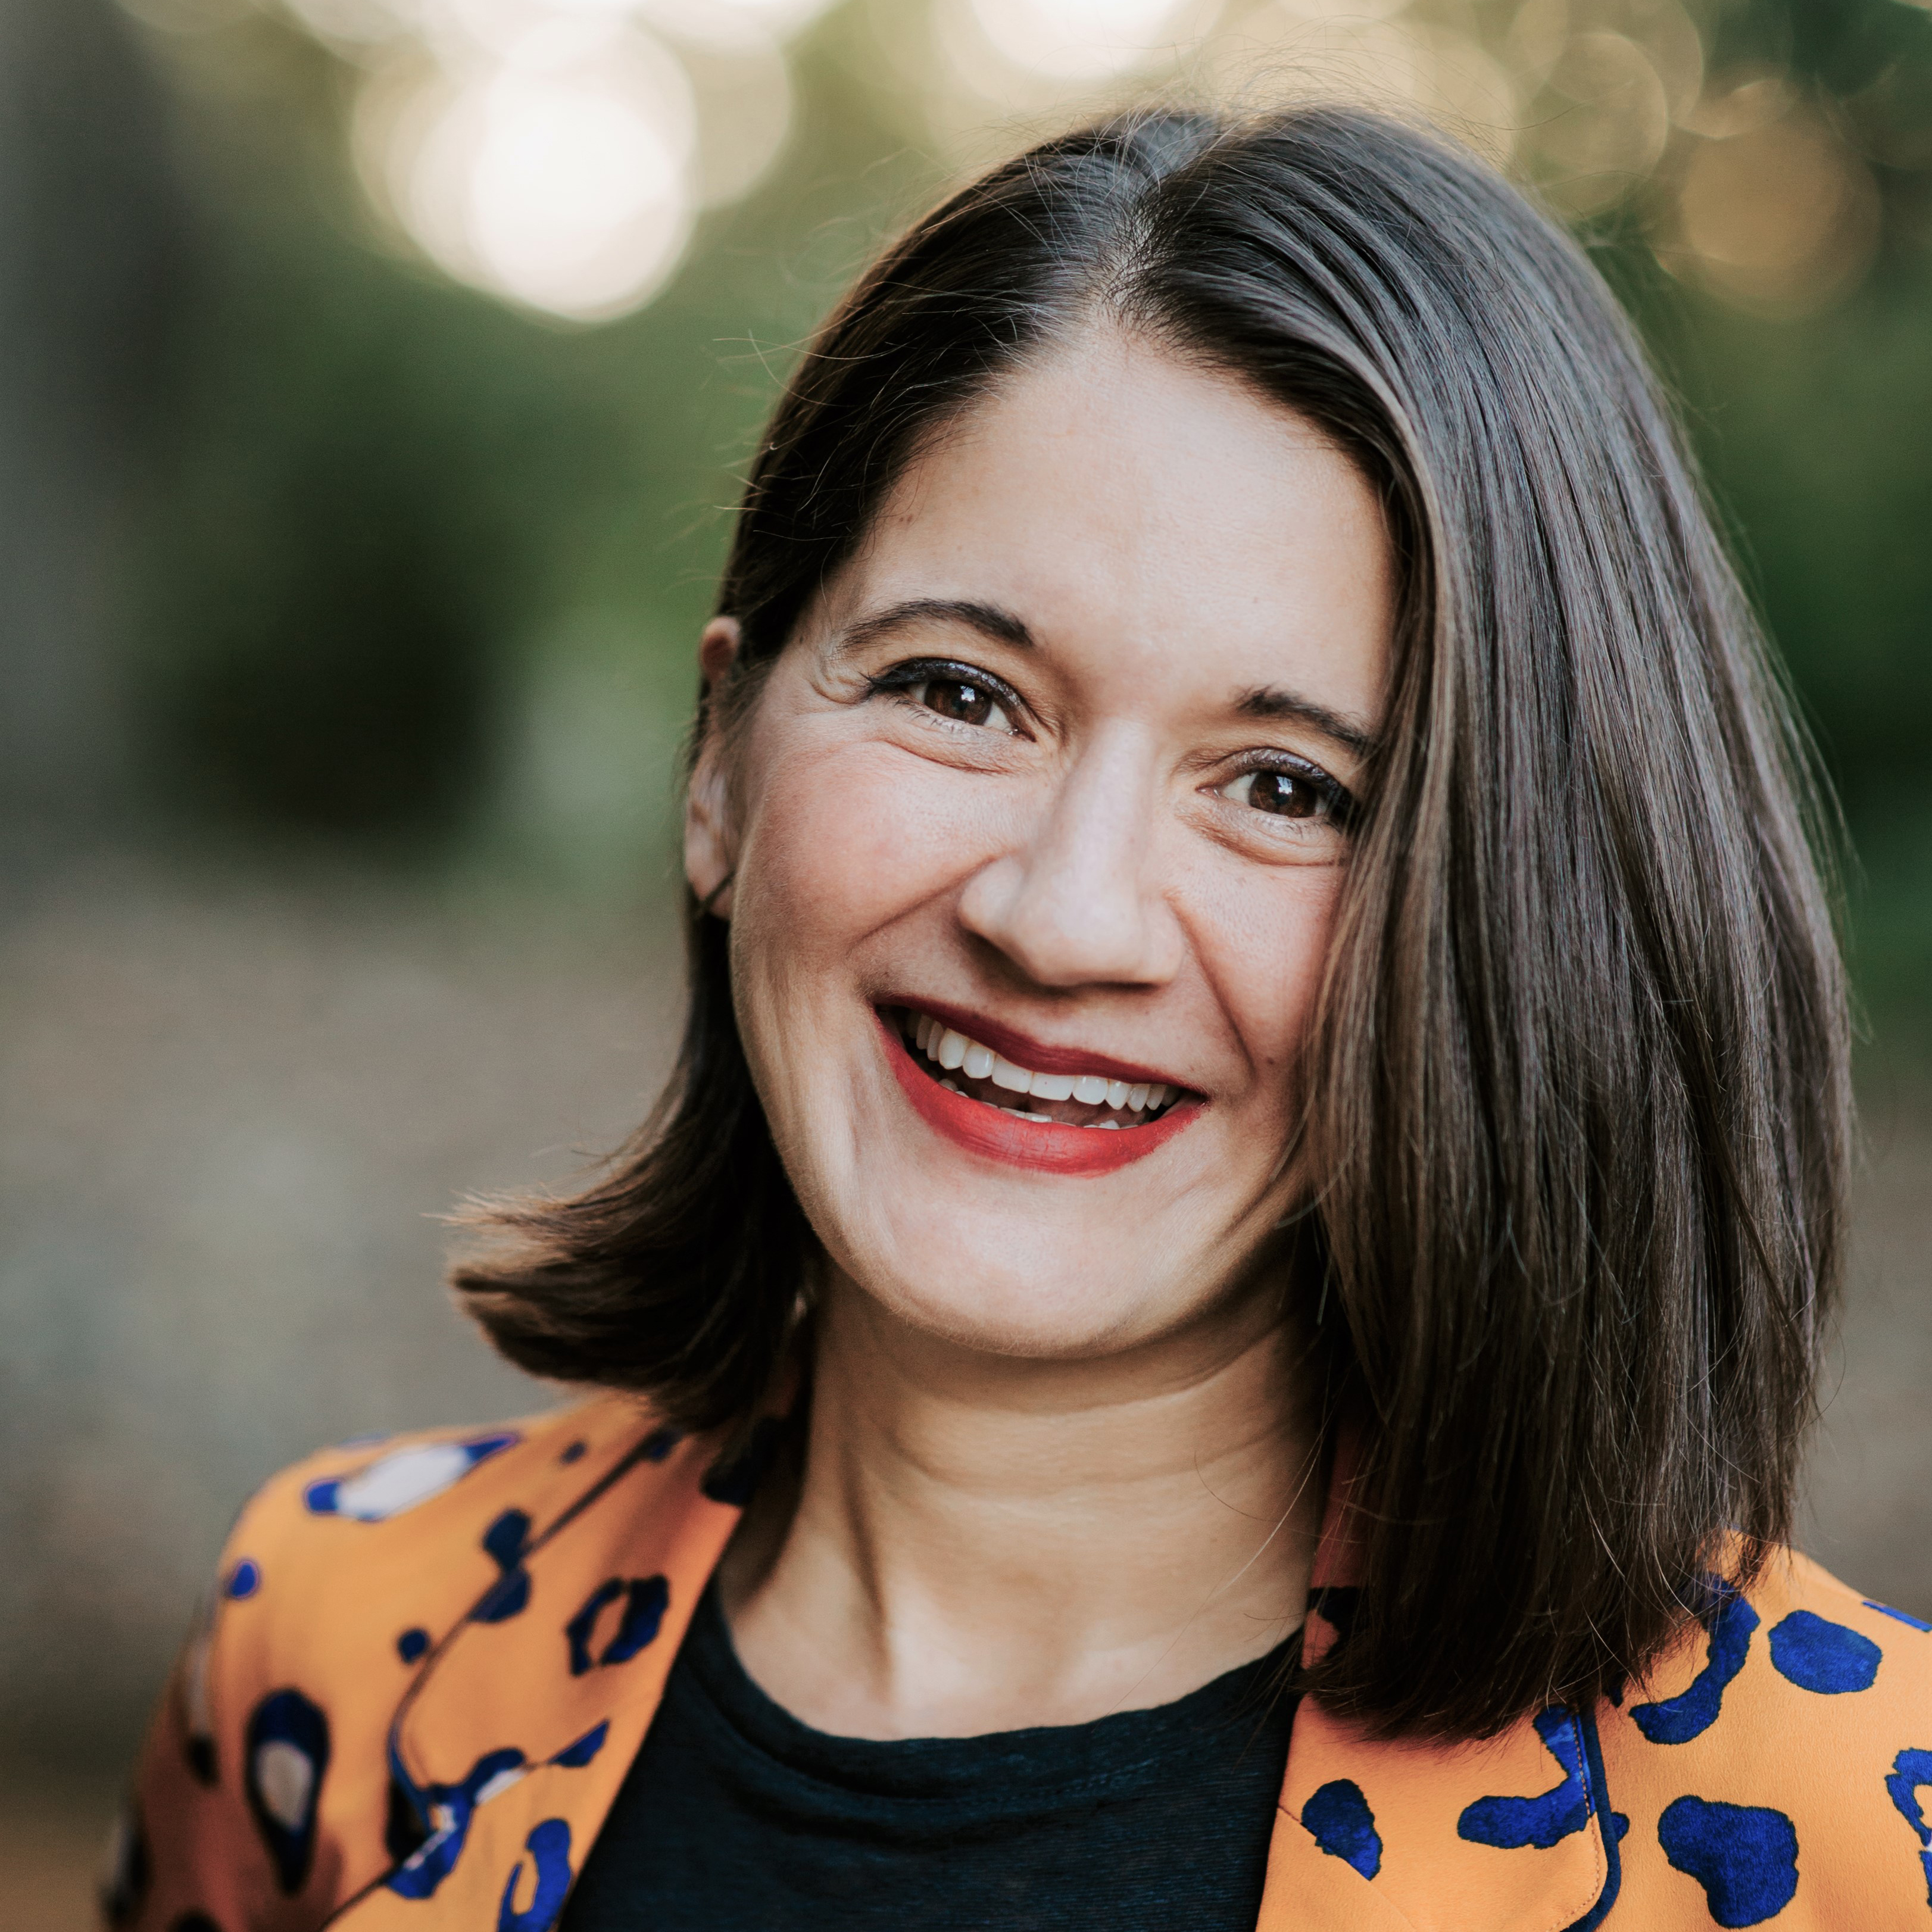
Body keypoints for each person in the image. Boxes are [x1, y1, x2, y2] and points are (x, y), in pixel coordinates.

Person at [111, 105, 1931, 1932]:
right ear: (721, 766)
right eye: (962, 691)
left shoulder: (1833, 1831)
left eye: (1291, 789)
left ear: (1518, 927)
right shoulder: (342, 1658)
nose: (1062, 918)